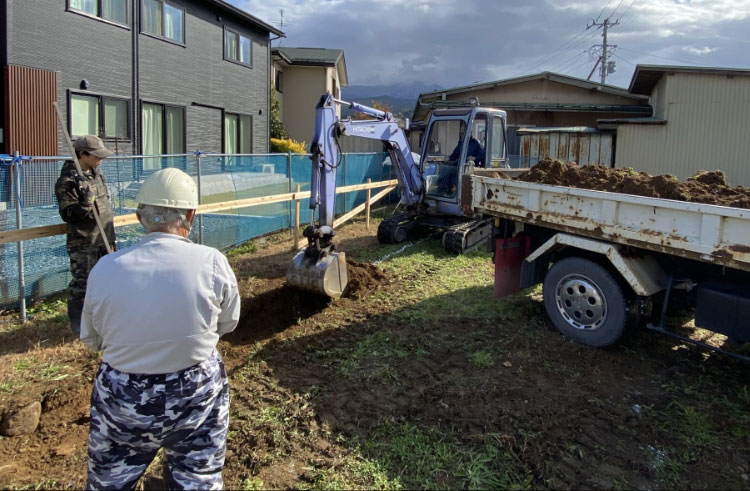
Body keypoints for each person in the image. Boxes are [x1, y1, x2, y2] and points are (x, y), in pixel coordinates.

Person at [80, 168, 241, 490]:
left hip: (124, 394)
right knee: (199, 476)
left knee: (109, 479)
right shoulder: (211, 260)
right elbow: (228, 322)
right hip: (195, 387)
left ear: (141, 216)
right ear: (190, 215)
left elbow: (92, 338)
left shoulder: (106, 268)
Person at [54, 135, 116, 336]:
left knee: (109, 279)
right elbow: (68, 214)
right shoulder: (68, 180)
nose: (101, 159)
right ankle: (80, 328)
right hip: (84, 242)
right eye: (96, 155)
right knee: (83, 284)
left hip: (105, 237)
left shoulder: (96, 174)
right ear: (82, 154)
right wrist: (85, 203)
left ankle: (105, 320)